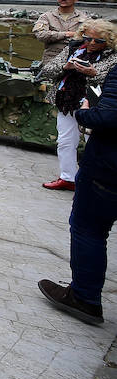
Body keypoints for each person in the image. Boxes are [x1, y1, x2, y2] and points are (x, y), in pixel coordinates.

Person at [39, 63, 117, 326]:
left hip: (108, 169)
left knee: (89, 229)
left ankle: (84, 298)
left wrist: (85, 113)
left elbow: (106, 117)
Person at [38, 19, 117, 192]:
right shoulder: (74, 47)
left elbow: (111, 81)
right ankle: (68, 178)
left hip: (95, 104)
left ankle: (94, 181)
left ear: (108, 41)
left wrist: (93, 73)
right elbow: (47, 70)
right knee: (65, 140)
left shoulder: (114, 55)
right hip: (66, 100)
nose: (92, 43)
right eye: (88, 38)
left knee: (94, 142)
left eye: (99, 41)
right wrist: (65, 67)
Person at [34, 0, 91, 67]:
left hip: (77, 57)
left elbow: (92, 37)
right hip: (52, 57)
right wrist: (66, 34)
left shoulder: (84, 18)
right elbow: (40, 35)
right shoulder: (47, 16)